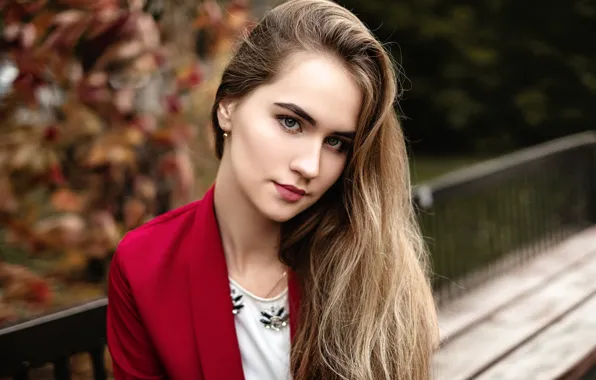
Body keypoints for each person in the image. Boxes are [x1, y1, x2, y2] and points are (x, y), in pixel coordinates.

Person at [106, 0, 439, 379]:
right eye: (291, 122)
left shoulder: (367, 263)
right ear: (228, 104)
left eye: (336, 143)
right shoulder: (145, 263)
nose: (310, 166)